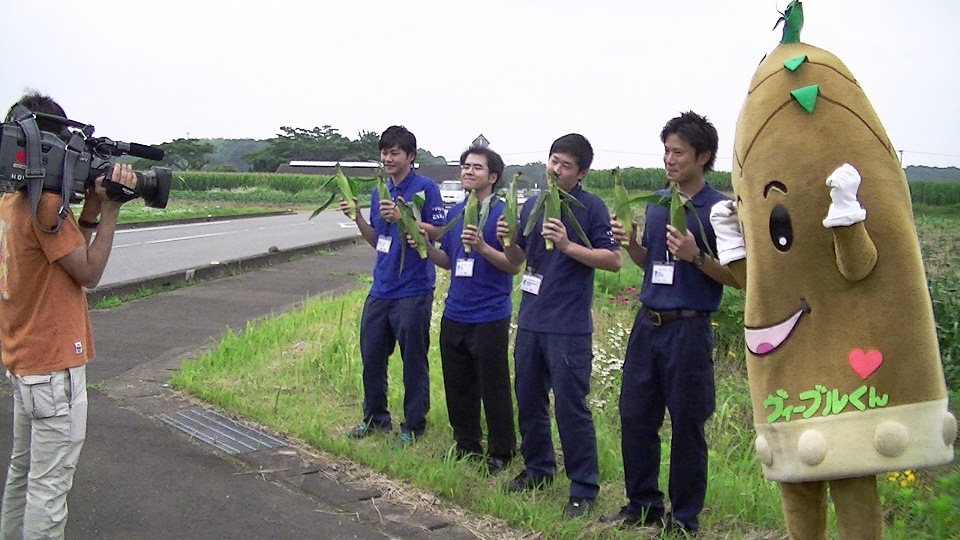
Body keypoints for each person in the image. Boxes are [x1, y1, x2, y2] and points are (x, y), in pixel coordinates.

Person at [0, 91, 138, 539]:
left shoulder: (11, 202)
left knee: (23, 476)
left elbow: (63, 253)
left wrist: (92, 209)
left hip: (24, 363)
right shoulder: (44, 207)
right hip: (52, 368)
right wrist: (114, 207)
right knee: (49, 487)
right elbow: (89, 271)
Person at [601, 111, 739, 535]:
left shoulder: (720, 210)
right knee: (635, 415)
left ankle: (683, 518)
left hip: (689, 329)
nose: (669, 159)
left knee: (687, 423)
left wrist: (697, 256)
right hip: (649, 324)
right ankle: (642, 505)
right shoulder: (660, 204)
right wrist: (632, 246)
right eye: (666, 151)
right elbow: (650, 267)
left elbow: (740, 278)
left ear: (704, 156)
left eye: (678, 152)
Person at [497, 134, 621, 518]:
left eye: (566, 165)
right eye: (553, 161)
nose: (556, 169)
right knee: (529, 400)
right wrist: (507, 241)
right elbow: (519, 261)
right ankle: (538, 469)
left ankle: (583, 486)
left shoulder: (592, 207)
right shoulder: (533, 203)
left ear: (581, 173)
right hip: (531, 319)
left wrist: (568, 246)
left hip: (568, 327)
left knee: (570, 408)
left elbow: (613, 260)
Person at [339, 125, 445, 447]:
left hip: (413, 290)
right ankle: (374, 419)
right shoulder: (379, 190)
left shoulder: (425, 188)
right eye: (384, 152)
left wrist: (404, 216)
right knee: (372, 356)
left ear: (410, 157)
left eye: (395, 152)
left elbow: (438, 231)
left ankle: (413, 425)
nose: (388, 158)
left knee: (413, 360)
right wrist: (358, 218)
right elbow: (377, 239)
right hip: (380, 288)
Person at [418, 145, 520, 474]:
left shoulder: (504, 214)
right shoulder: (455, 213)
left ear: (492, 177)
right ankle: (467, 445)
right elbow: (449, 261)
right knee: (458, 383)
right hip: (455, 312)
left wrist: (482, 246)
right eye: (464, 166)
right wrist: (424, 247)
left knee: (493, 385)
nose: (467, 171)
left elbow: (512, 266)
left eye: (476, 167)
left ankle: (502, 452)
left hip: (489, 313)